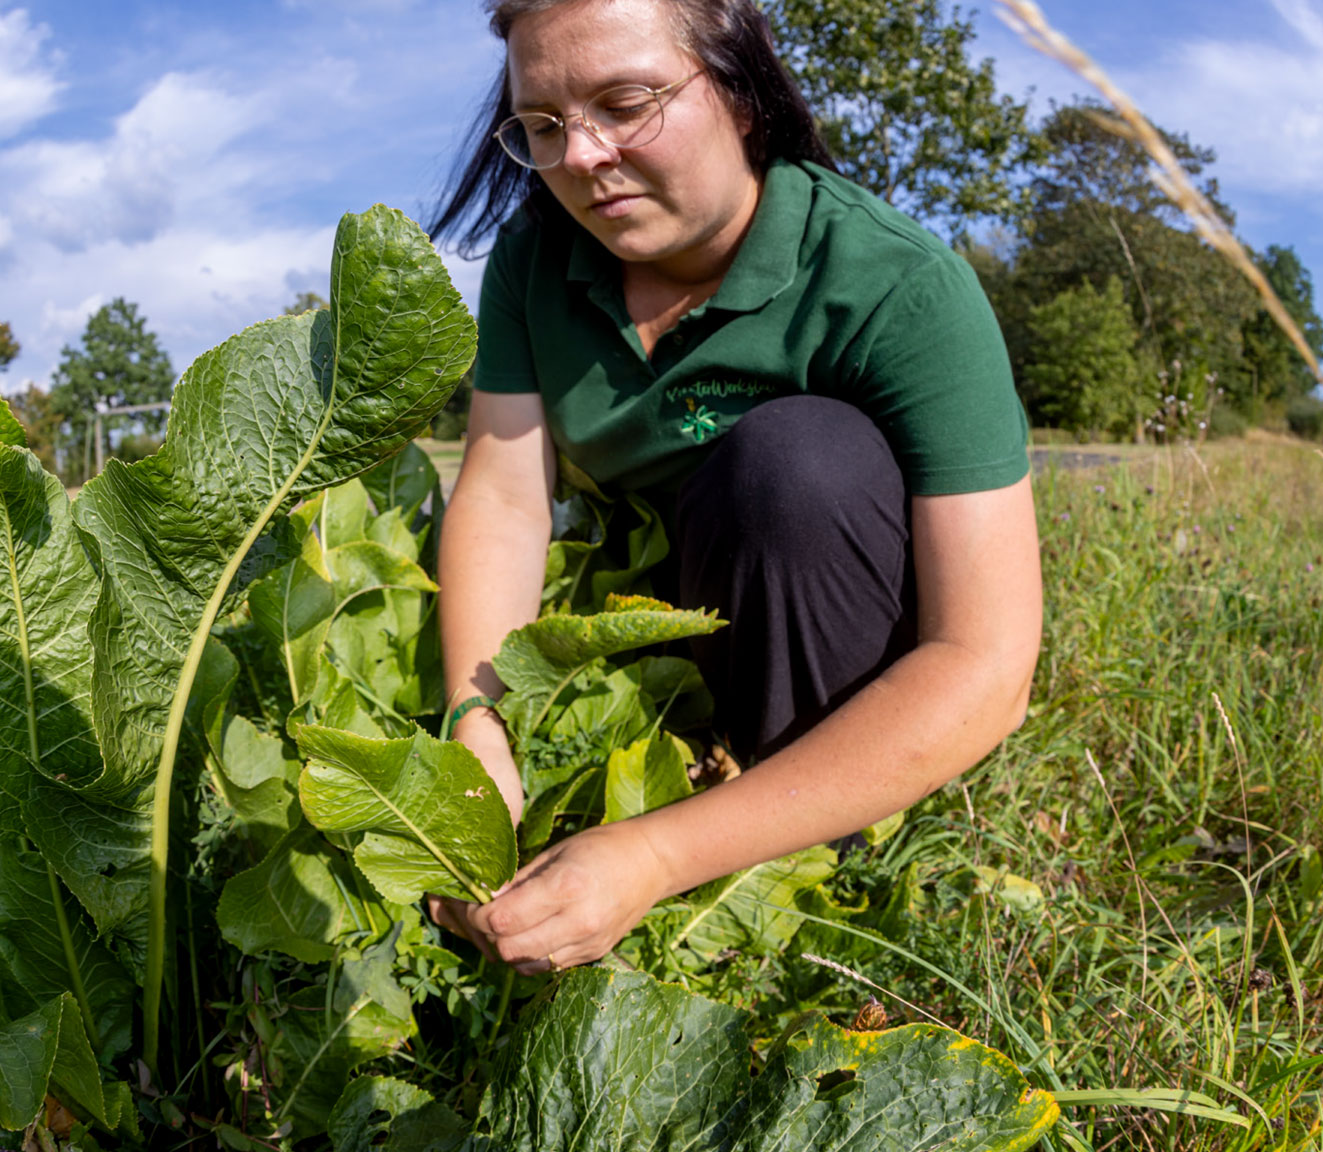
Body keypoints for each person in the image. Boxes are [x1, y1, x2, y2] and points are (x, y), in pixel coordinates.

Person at [426, 0, 1041, 976]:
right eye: (543, 125)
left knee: (799, 467)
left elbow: (986, 665)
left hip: (830, 664)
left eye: (625, 103)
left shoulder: (902, 288)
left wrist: (652, 853)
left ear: (744, 95)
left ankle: (821, 891)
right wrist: (476, 726)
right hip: (657, 638)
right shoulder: (536, 260)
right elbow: (503, 498)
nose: (582, 156)